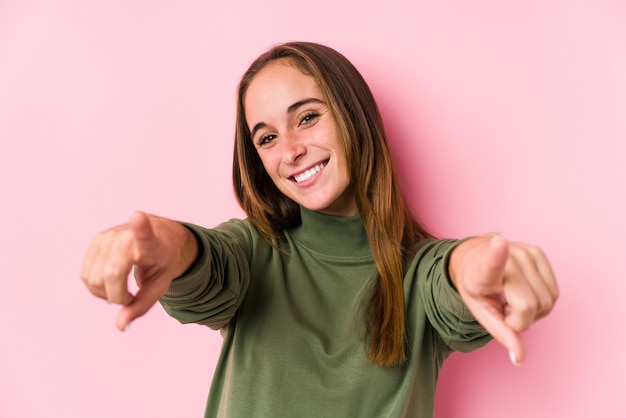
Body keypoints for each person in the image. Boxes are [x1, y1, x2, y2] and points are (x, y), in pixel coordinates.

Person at [81, 42, 558, 417]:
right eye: (266, 138)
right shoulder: (252, 252)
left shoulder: (421, 271)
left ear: (353, 114)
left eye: (307, 117)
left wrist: (481, 264)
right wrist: (169, 245)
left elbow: (452, 276)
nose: (289, 151)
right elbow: (208, 261)